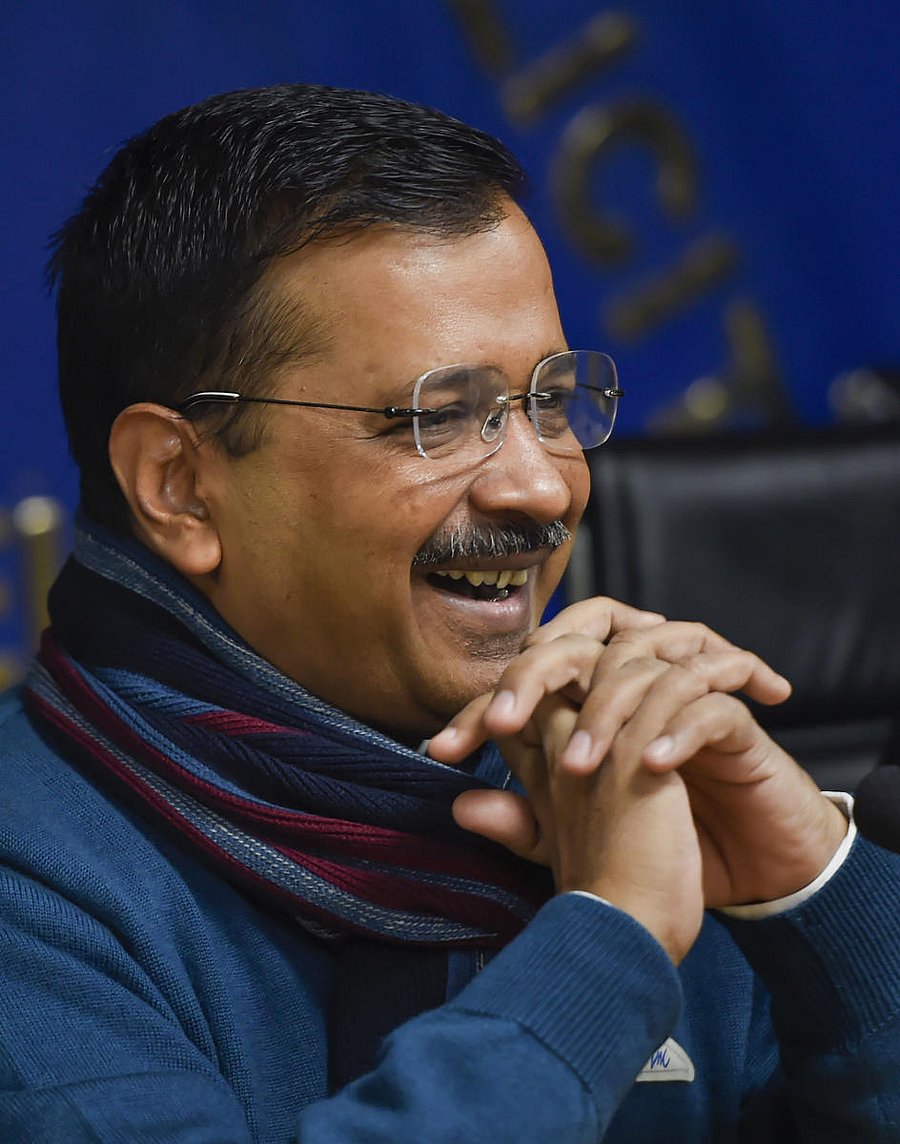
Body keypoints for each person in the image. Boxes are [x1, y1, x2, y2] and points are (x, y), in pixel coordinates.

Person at [0, 83, 897, 1143]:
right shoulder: (37, 899)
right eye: (438, 416)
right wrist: (608, 940)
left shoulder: (625, 777)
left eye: (551, 402)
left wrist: (817, 891)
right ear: (180, 486)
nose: (543, 486)